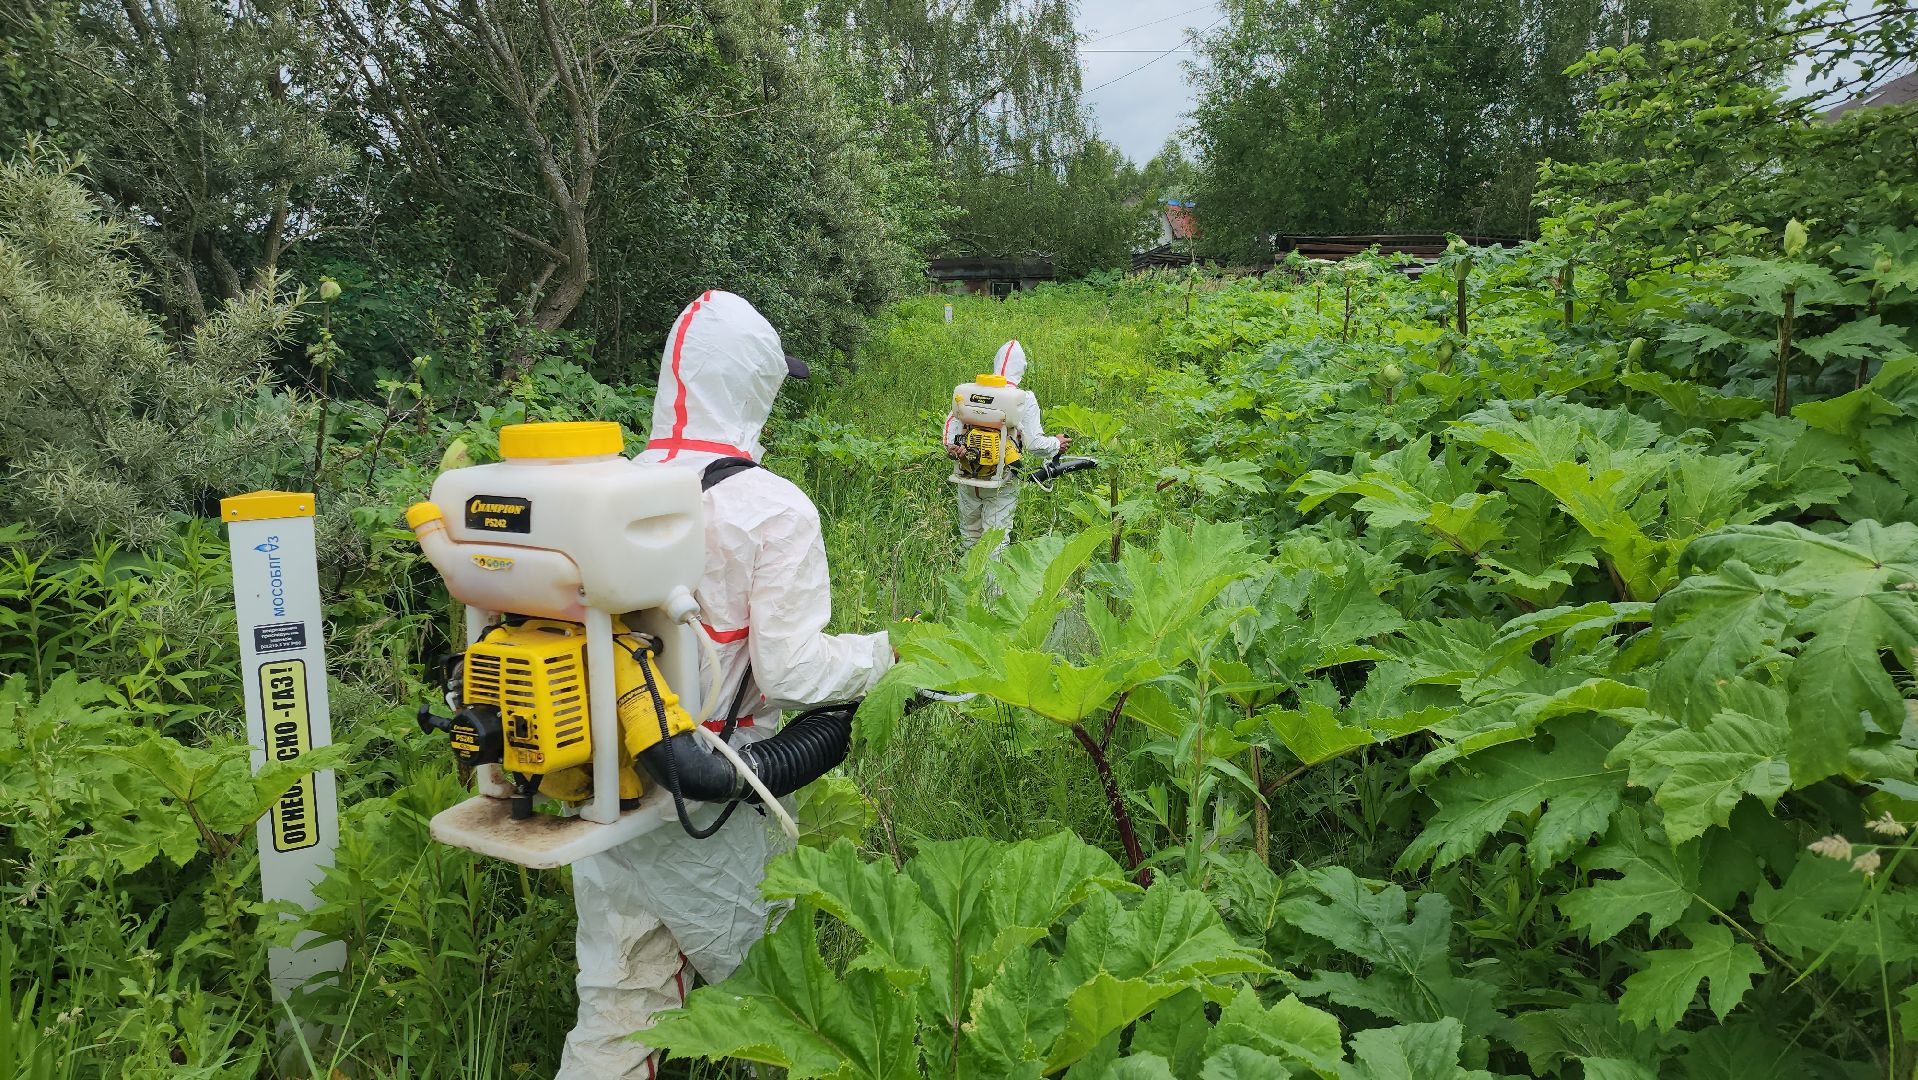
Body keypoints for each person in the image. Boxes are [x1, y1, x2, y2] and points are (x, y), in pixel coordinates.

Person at [557, 290, 894, 1080]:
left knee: (619, 1003)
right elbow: (793, 670)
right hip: (705, 798)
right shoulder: (772, 509)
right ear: (755, 388)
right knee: (778, 1011)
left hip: (600, 782)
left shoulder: (602, 491)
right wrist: (885, 659)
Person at [942, 339, 1070, 550]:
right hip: (1002, 479)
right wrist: (1056, 443)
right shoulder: (1023, 398)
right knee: (995, 540)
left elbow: (952, 424)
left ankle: (968, 571)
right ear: (1022, 369)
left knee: (969, 534)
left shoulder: (970, 392)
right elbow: (1034, 444)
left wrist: (954, 448)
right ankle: (993, 574)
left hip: (966, 475)